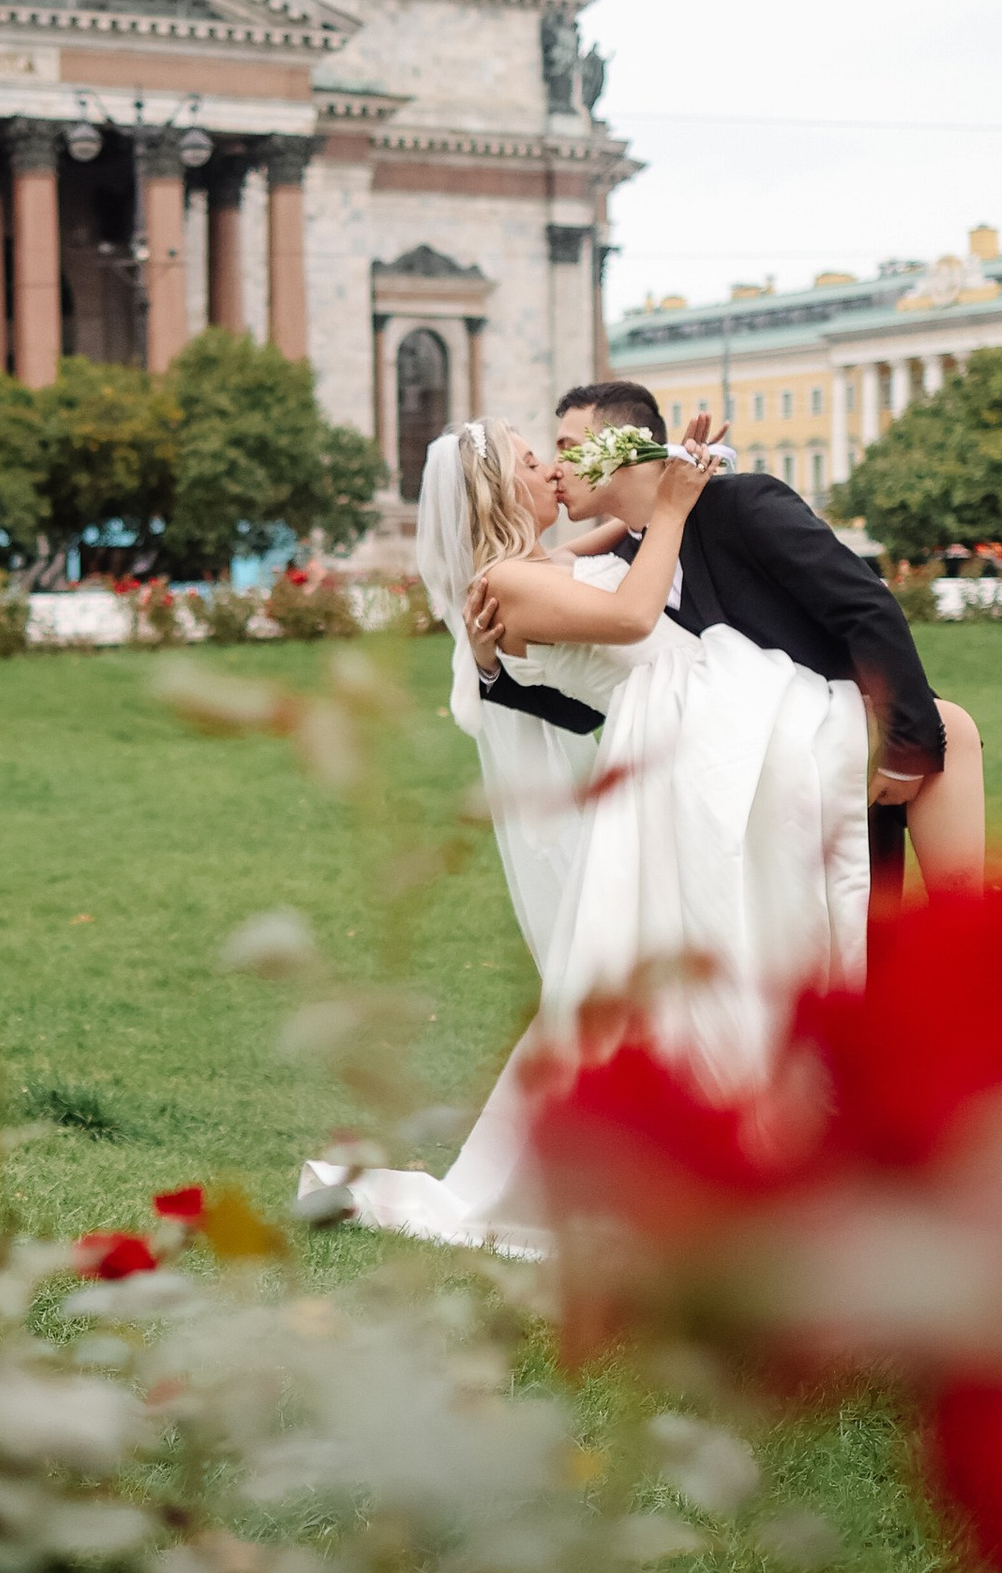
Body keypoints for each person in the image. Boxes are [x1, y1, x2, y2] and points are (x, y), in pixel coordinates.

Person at [316, 413, 870, 1248]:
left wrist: (665, 471)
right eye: (535, 462)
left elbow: (613, 540)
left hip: (696, 723)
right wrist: (675, 509)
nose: (554, 470)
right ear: (501, 489)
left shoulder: (541, 566)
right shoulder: (511, 581)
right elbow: (635, 617)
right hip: (689, 731)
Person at [474, 379, 985, 904]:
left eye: (568, 449)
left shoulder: (741, 504)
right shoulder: (622, 570)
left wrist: (903, 749)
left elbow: (866, 607)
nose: (556, 469)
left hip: (845, 746)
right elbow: (593, 701)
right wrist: (490, 664)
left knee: (905, 939)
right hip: (732, 797)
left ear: (623, 450)